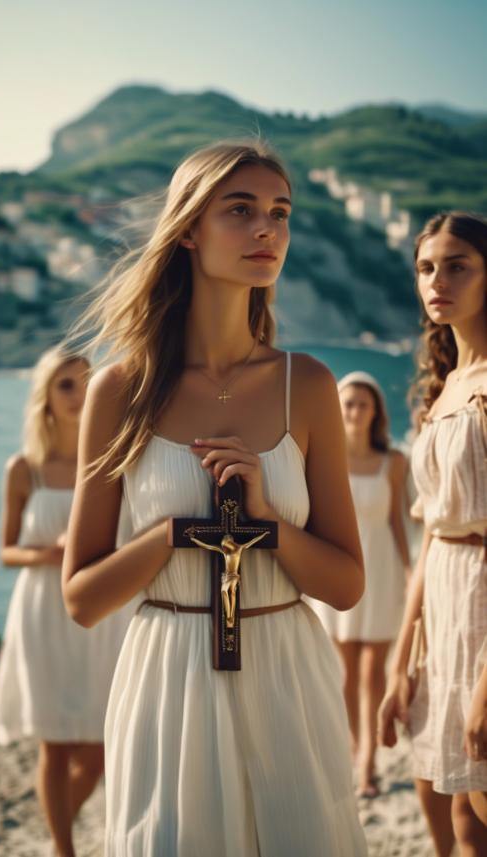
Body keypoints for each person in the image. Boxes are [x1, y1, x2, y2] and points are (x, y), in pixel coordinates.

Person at [61, 140, 368, 856]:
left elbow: (349, 584)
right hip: (168, 675)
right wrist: (174, 533)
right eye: (241, 210)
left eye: (280, 212)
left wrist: (267, 522)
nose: (268, 229)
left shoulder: (310, 385)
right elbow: (81, 596)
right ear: (189, 229)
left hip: (289, 668)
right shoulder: (119, 391)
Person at [0, 345, 136, 857]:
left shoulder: (112, 461)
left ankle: (58, 843)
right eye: (65, 385)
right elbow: (6, 551)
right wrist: (46, 555)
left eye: (84, 381)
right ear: (46, 398)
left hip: (100, 612)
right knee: (54, 743)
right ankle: (65, 847)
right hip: (41, 614)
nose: (78, 394)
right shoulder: (23, 469)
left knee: (101, 744)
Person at [378, 212, 487, 857]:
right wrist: (400, 660)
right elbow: (433, 538)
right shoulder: (447, 387)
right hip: (441, 612)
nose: (436, 280)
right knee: (454, 818)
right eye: (425, 267)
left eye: (457, 266)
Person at [312, 371, 411, 797]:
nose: (354, 411)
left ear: (376, 413)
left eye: (363, 404)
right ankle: (356, 749)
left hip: (382, 573)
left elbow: (399, 524)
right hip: (337, 571)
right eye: (347, 403)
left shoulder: (394, 463)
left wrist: (413, 576)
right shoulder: (321, 458)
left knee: (374, 673)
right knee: (346, 673)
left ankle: (368, 763)